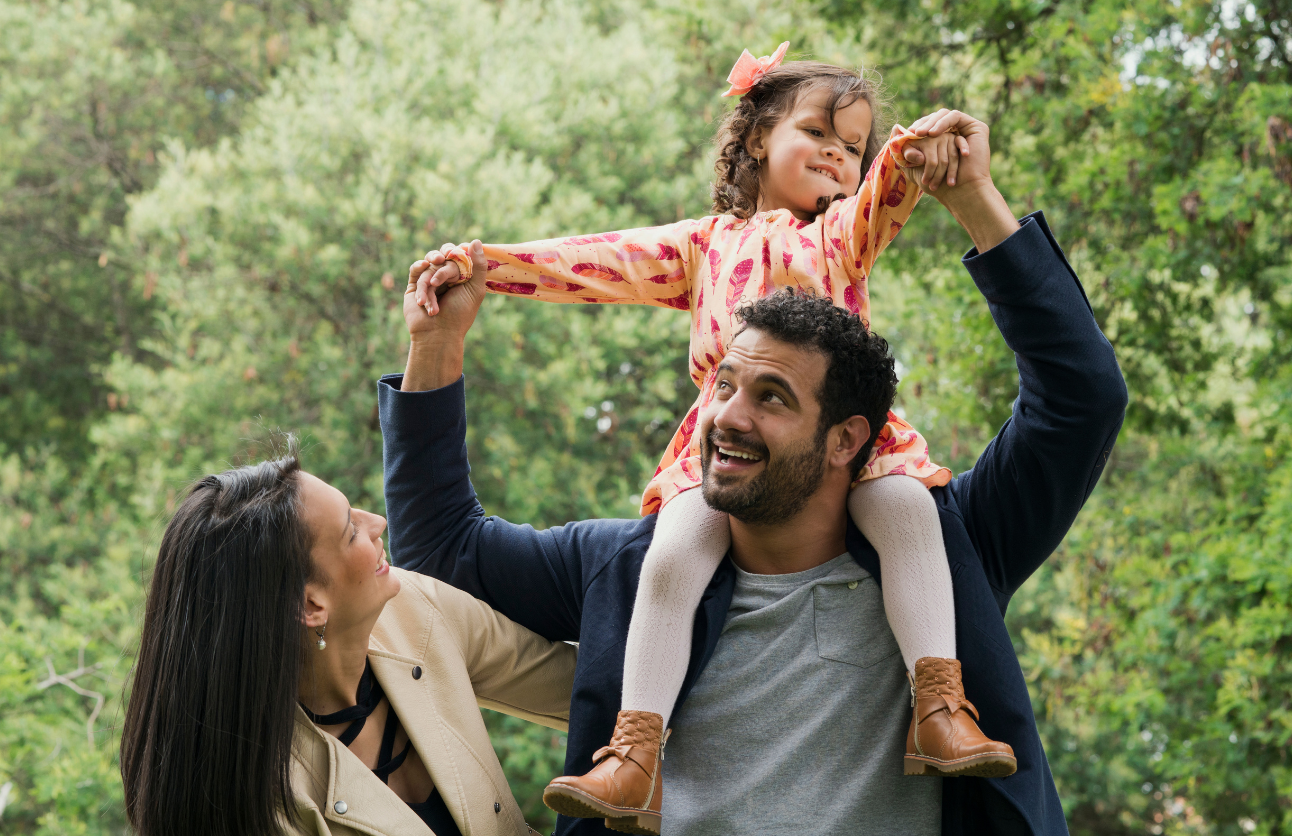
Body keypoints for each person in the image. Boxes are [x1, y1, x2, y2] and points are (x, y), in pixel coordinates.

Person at [384, 106, 1127, 836]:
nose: (728, 418)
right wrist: (439, 343)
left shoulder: (951, 550)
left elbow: (1081, 398)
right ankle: (633, 758)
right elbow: (444, 558)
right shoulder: (631, 571)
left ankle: (939, 709)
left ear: (847, 440)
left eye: (771, 397)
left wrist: (968, 196)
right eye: (723, 387)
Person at [120, 443, 576, 836]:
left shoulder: (413, 609)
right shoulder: (264, 804)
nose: (376, 521)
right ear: (310, 606)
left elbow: (579, 686)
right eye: (350, 530)